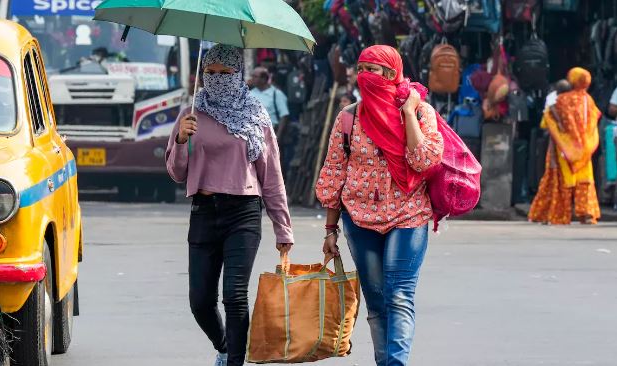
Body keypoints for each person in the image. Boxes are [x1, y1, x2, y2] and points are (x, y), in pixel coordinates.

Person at [165, 44, 293, 366]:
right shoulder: (191, 113)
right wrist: (181, 139)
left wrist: (283, 230)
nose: (217, 79)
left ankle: (236, 361)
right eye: (211, 72)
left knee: (235, 297)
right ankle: (223, 345)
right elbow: (177, 173)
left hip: (244, 214)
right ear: (202, 73)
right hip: (204, 212)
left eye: (226, 73)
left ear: (239, 74)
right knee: (200, 302)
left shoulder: (256, 116)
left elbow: (272, 176)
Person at [315, 45, 444, 366]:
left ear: (390, 74)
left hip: (408, 215)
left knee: (399, 296)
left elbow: (425, 160)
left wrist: (408, 112)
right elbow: (334, 174)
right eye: (359, 69)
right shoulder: (348, 118)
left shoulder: (420, 112)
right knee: (376, 301)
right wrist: (330, 230)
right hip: (359, 220)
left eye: (369, 69)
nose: (363, 76)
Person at [528, 67, 601, 225]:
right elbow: (594, 121)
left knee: (560, 182)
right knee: (585, 182)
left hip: (563, 149)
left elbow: (546, 122)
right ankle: (587, 214)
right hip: (584, 150)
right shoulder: (589, 101)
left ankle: (558, 214)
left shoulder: (561, 101)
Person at [249, 67, 290, 137]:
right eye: (252, 76)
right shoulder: (250, 94)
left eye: (255, 76)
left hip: (270, 134)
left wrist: (277, 137)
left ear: (264, 79)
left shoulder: (276, 94)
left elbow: (284, 116)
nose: (252, 79)